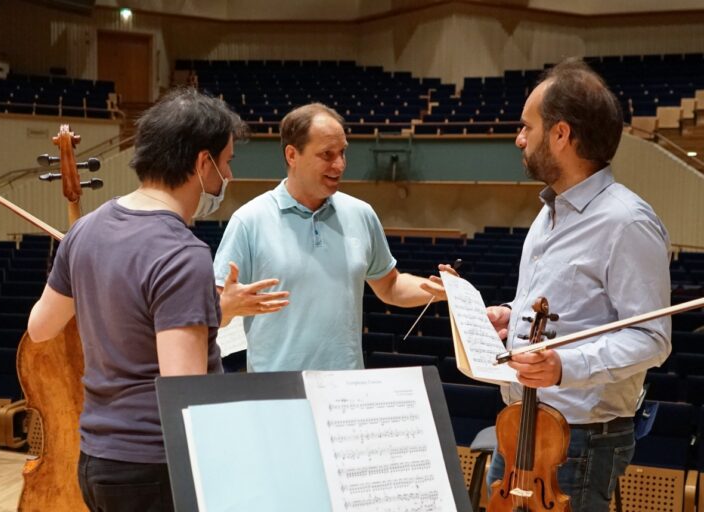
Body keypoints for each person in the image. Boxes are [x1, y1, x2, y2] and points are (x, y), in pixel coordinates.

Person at [27, 88, 254, 512]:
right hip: (155, 468)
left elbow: (40, 328)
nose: (229, 175)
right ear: (203, 163)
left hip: (97, 459)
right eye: (227, 162)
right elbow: (183, 391)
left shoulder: (85, 230)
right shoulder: (182, 253)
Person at [483, 58, 672, 511]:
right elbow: (560, 305)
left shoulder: (627, 222)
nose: (519, 139)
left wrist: (565, 367)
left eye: (527, 127)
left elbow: (652, 340)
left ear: (561, 134)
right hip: (519, 426)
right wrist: (512, 315)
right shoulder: (549, 213)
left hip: (579, 441)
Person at [213, 103, 446, 372]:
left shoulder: (361, 214)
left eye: (342, 152)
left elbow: (391, 287)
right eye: (327, 154)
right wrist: (226, 308)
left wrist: (438, 292)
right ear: (292, 155)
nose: (340, 164)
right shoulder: (249, 220)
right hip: (276, 393)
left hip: (344, 393)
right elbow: (213, 312)